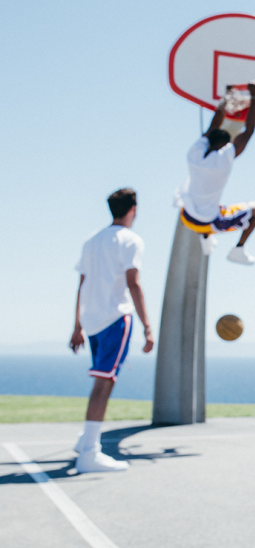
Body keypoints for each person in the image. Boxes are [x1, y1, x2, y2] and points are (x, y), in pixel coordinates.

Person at [70, 189, 154, 473]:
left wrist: (77, 326)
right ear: (133, 209)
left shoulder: (91, 241)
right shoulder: (131, 240)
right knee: (104, 383)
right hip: (116, 318)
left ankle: (86, 440)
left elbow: (82, 285)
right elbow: (134, 283)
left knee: (102, 380)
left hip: (92, 322)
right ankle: (89, 452)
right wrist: (148, 327)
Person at [176, 81, 255, 265]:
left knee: (212, 202)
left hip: (186, 215)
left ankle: (206, 238)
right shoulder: (223, 160)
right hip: (206, 221)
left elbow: (214, 125)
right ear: (224, 145)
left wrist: (227, 97)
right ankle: (238, 249)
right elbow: (248, 131)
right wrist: (254, 96)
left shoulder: (194, 153)